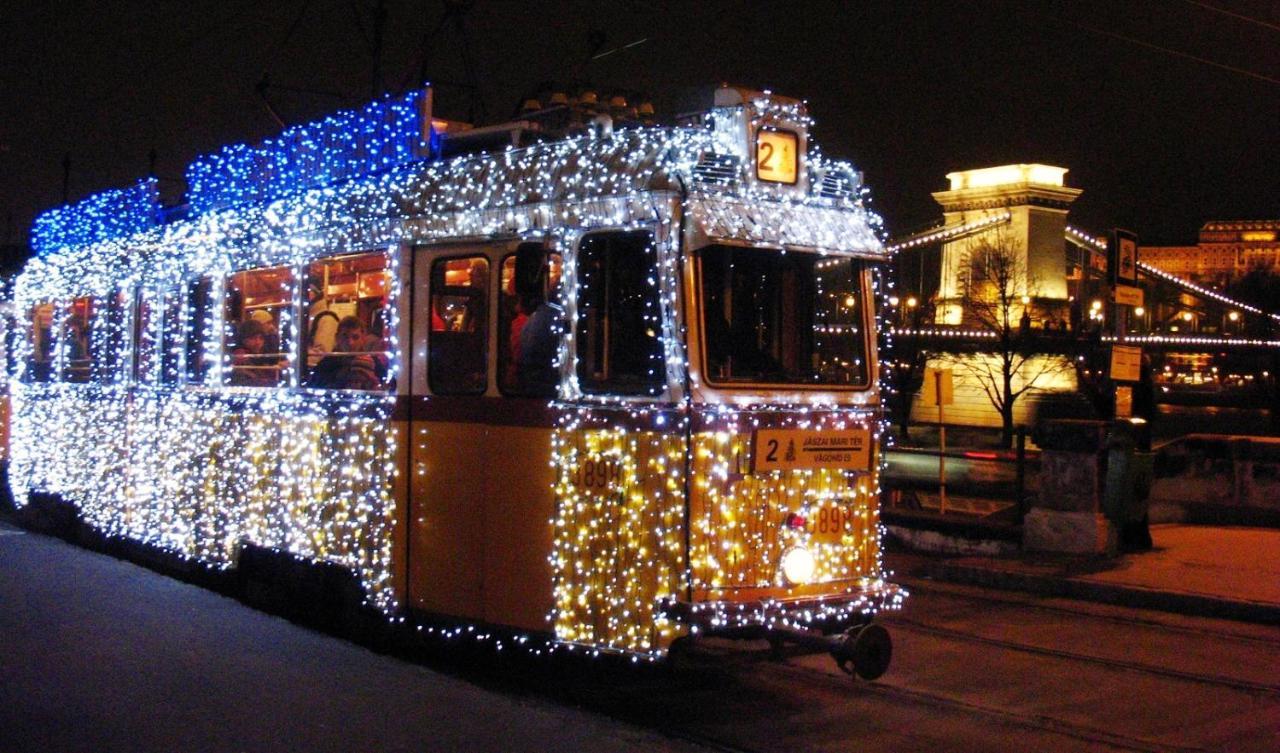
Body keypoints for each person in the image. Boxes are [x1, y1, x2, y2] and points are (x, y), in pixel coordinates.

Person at [306, 316, 386, 390]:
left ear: (363, 339)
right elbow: (314, 388)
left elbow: (386, 387)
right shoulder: (327, 363)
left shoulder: (374, 363)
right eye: (345, 336)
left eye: (355, 337)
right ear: (337, 338)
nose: (350, 342)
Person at [229, 319, 282, 386]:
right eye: (253, 338)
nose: (258, 342)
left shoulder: (258, 356)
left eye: (261, 338)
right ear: (243, 339)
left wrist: (276, 369)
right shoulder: (241, 356)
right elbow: (250, 381)